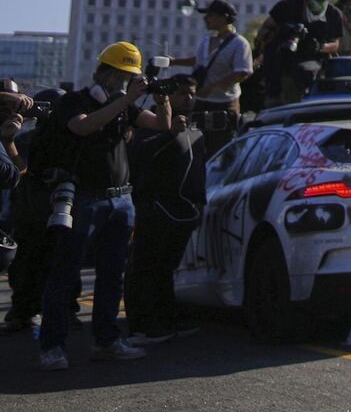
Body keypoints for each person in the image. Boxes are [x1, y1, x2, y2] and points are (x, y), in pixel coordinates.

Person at [38, 42, 175, 370]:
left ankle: (107, 340)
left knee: (113, 275)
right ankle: (52, 347)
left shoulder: (123, 105)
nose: (124, 82)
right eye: (120, 75)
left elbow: (161, 125)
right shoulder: (75, 101)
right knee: (65, 274)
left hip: (121, 199)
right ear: (103, 73)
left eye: (129, 77)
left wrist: (163, 100)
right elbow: (82, 126)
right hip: (84, 198)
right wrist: (125, 100)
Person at [124, 106, 203, 345]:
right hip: (152, 209)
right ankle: (143, 326)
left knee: (165, 267)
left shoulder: (193, 128)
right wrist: (169, 133)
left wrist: (199, 203)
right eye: (182, 93)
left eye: (192, 93)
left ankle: (165, 319)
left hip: (180, 211)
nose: (188, 98)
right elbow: (138, 153)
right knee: (145, 267)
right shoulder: (149, 126)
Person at [3, 89, 63, 335]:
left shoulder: (74, 138)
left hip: (56, 210)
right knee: (25, 265)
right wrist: (9, 141)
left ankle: (60, 309)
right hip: (30, 211)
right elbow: (21, 172)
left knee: (57, 264)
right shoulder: (28, 139)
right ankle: (23, 310)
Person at [252, 0, 345, 110]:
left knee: (308, 76)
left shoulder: (334, 14)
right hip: (281, 62)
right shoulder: (285, 8)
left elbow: (336, 44)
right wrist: (282, 32)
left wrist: (319, 47)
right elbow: (263, 33)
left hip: (314, 63)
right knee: (274, 102)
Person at [169, 0, 250, 153]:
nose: (206, 19)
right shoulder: (206, 40)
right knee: (196, 145)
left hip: (224, 104)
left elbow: (242, 72)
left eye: (210, 15)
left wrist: (213, 88)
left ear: (224, 17)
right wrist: (174, 62)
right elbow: (200, 61)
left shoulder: (239, 43)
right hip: (200, 102)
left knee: (221, 148)